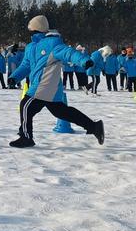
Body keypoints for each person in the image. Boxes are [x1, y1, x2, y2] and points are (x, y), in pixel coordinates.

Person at [7, 15, 104, 148]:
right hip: (45, 87)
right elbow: (26, 65)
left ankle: (26, 137)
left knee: (26, 105)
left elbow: (68, 53)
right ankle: (94, 126)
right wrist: (14, 77)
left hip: (44, 85)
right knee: (61, 112)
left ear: (35, 29)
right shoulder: (30, 47)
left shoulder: (52, 43)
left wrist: (83, 60)